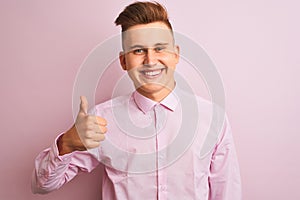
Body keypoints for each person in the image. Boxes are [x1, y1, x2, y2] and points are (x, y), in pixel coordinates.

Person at [31, 1, 242, 199]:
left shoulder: (212, 118)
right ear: (123, 61)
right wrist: (67, 143)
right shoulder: (101, 120)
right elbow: (41, 185)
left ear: (175, 55)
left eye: (159, 48)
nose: (150, 60)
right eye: (138, 50)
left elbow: (227, 194)